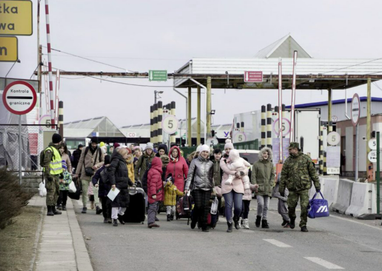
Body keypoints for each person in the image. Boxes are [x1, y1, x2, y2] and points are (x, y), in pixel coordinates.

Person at [279, 142, 321, 232]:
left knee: (304, 206)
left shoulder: (306, 159)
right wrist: (281, 188)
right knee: (291, 207)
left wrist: (317, 184)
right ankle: (292, 218)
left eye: (291, 149)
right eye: (289, 150)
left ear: (296, 149)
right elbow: (283, 175)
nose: (290, 151)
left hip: (304, 187)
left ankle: (303, 224)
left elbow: (313, 173)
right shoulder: (288, 161)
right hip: (292, 188)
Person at [184, 145, 214, 232]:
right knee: (198, 205)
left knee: (205, 206)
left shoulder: (210, 163)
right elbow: (190, 175)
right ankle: (194, 219)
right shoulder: (194, 162)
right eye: (203, 151)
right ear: (200, 152)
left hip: (207, 187)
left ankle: (204, 225)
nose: (205, 153)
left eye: (206, 152)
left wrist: (213, 187)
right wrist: (187, 187)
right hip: (196, 187)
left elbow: (211, 177)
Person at [220, 139, 247, 232]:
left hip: (238, 185)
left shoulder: (239, 159)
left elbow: (246, 169)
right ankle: (229, 223)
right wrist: (236, 172)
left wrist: (242, 173)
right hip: (227, 184)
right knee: (228, 205)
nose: (228, 150)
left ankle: (236, 218)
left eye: (230, 148)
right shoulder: (223, 160)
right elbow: (226, 169)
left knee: (239, 206)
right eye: (226, 148)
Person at [75, 137, 105, 214]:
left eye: (95, 143)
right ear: (90, 143)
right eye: (93, 143)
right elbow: (80, 161)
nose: (94, 145)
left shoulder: (99, 150)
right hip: (85, 173)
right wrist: (77, 173)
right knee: (85, 190)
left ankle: (97, 206)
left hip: (95, 173)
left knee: (96, 190)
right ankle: (84, 206)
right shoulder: (85, 150)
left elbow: (103, 161)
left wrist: (97, 165)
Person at [108, 147, 133, 226]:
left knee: (125, 203)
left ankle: (119, 215)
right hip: (116, 185)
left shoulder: (122, 162)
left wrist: (130, 183)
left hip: (123, 185)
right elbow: (111, 172)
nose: (127, 156)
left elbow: (125, 175)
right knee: (115, 203)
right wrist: (113, 183)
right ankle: (114, 218)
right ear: (123, 154)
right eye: (126, 154)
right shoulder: (117, 161)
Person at [251, 147, 275, 229]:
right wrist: (254, 184)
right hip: (259, 188)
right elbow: (253, 175)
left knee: (266, 206)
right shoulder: (256, 164)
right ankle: (258, 217)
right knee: (260, 204)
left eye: (267, 154)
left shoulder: (270, 164)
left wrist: (271, 184)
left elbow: (273, 175)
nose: (266, 155)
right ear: (261, 154)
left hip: (268, 188)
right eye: (264, 153)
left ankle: (264, 220)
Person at [41, 133, 63, 216]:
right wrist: (48, 175)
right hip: (50, 175)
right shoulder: (50, 150)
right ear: (59, 141)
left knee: (56, 191)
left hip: (56, 174)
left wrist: (60, 173)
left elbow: (57, 163)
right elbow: (46, 163)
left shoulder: (56, 150)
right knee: (51, 191)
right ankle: (49, 209)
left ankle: (53, 208)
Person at [92, 155, 112, 223]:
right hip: (108, 188)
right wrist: (95, 183)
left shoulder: (100, 170)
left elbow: (94, 178)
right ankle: (107, 217)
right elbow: (95, 178)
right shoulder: (112, 169)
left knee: (106, 203)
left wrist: (95, 183)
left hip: (105, 189)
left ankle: (107, 217)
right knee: (106, 203)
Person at [147, 157, 164, 228]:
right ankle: (151, 222)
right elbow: (153, 184)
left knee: (154, 207)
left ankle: (152, 220)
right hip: (155, 193)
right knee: (153, 207)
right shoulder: (156, 173)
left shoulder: (152, 170)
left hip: (153, 192)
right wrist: (154, 194)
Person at [57, 143, 72, 210]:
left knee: (65, 195)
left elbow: (69, 164)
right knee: (59, 194)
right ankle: (58, 204)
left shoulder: (66, 156)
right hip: (57, 173)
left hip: (65, 173)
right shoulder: (56, 155)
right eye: (60, 148)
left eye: (63, 148)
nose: (62, 149)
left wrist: (70, 172)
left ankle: (63, 205)